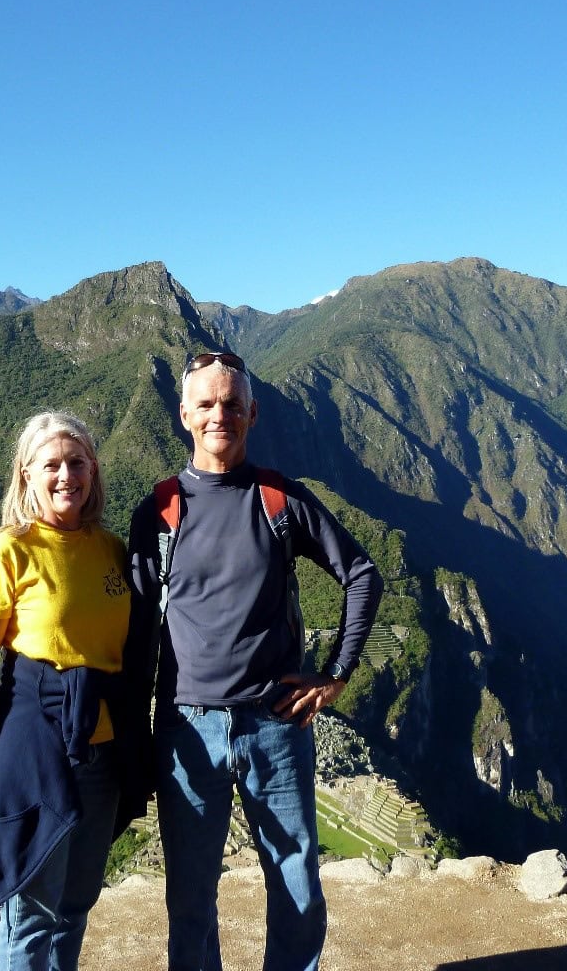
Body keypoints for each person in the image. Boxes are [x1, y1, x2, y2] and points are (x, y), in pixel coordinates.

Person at [129, 351, 384, 971]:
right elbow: (135, 635)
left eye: (233, 404)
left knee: (296, 881)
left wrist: (336, 673)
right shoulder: (158, 512)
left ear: (253, 414)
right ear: (185, 413)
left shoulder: (280, 500)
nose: (222, 414)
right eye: (208, 404)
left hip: (275, 722)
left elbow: (361, 574)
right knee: (190, 895)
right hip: (188, 730)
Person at [0, 411, 152, 971]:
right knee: (30, 914)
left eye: (77, 463)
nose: (66, 475)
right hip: (35, 743)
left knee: (74, 907)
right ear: (25, 476)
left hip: (103, 748)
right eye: (52, 465)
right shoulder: (6, 553)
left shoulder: (111, 550)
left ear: (93, 470)